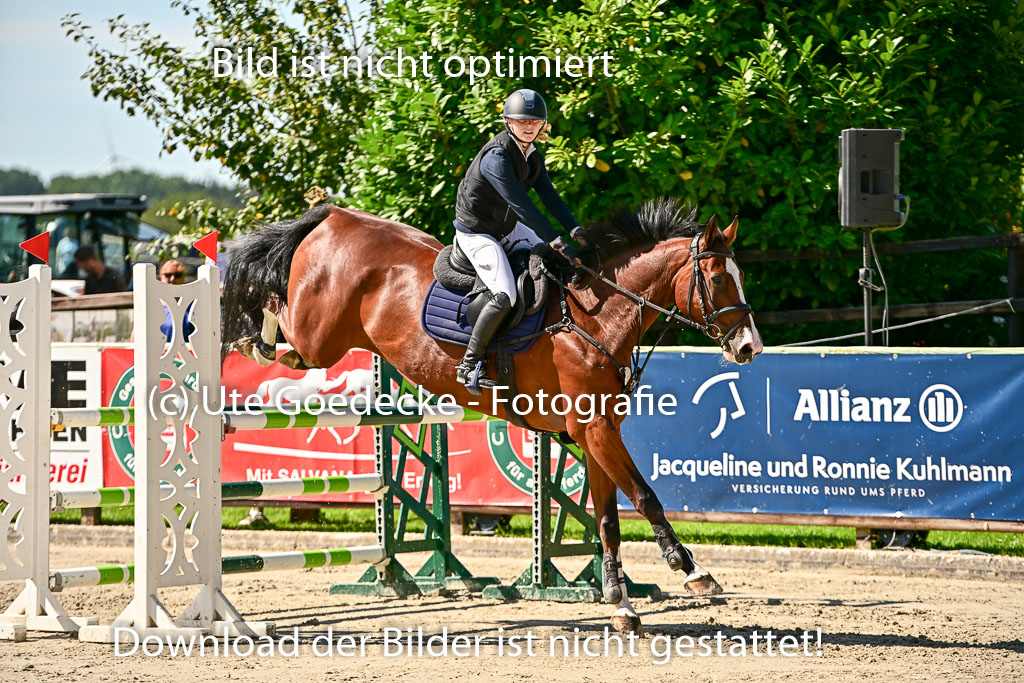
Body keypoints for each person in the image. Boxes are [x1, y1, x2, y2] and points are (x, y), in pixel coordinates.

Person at [452, 88, 583, 391]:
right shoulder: (496, 157)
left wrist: (577, 231)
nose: (528, 126)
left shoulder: (532, 154)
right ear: (508, 122)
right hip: (477, 233)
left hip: (506, 228)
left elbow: (549, 197)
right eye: (520, 121)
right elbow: (522, 205)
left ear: (543, 125)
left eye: (535, 121)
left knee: (552, 262)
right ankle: (470, 364)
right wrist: (554, 239)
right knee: (505, 294)